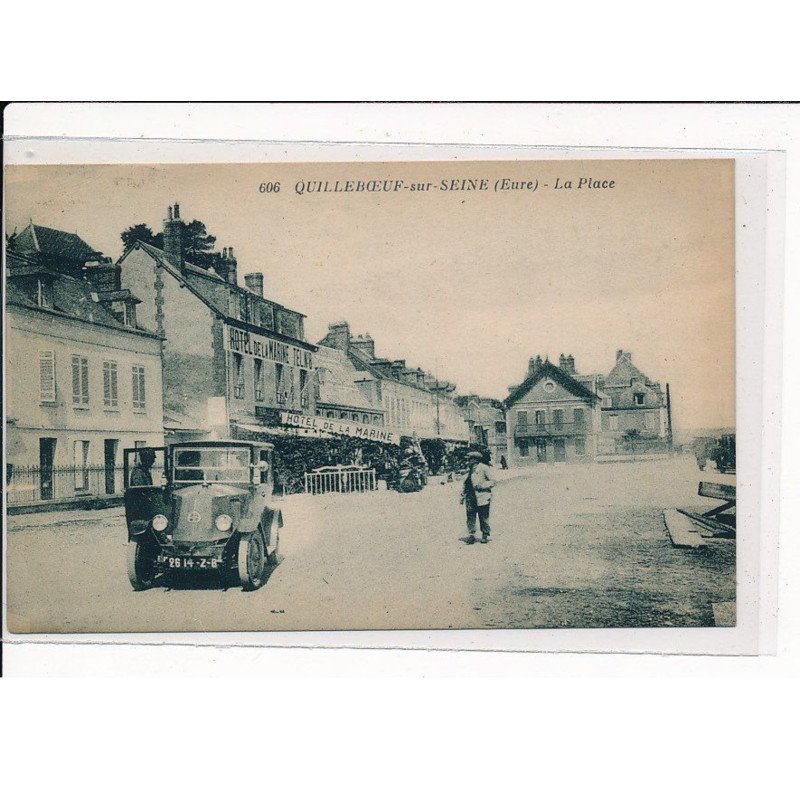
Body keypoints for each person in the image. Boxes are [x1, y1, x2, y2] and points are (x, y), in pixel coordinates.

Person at [460, 450, 495, 544]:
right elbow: (466, 484)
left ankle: (485, 534)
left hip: (482, 496)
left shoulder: (484, 468)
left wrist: (482, 485)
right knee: (470, 516)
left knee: (483, 516)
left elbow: (493, 481)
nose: (467, 462)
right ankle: (471, 535)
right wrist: (462, 495)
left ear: (475, 459)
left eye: (469, 460)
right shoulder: (468, 470)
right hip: (470, 497)